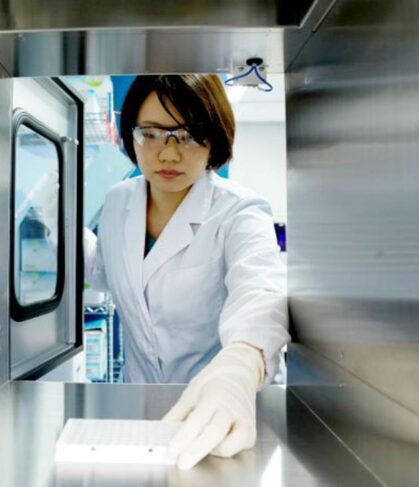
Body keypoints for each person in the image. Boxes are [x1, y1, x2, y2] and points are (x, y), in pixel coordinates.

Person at [83, 74, 290, 469]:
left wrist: (241, 363)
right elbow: (108, 272)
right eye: (151, 134)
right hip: (141, 406)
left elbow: (261, 290)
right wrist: (55, 227)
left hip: (223, 409)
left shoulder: (239, 210)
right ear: (131, 134)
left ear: (215, 140)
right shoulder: (117, 201)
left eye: (190, 135)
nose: (168, 154)